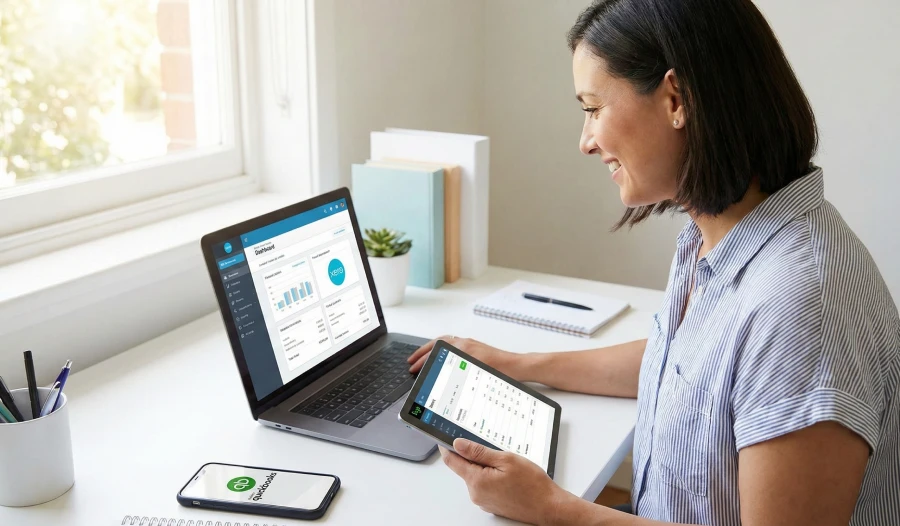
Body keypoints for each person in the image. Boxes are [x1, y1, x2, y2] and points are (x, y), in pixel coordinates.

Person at [406, 0, 900, 524]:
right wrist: (516, 365)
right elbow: (688, 362)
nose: (586, 142)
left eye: (593, 108)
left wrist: (553, 508)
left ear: (676, 99)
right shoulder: (715, 235)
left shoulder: (800, 306)